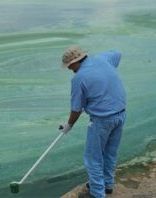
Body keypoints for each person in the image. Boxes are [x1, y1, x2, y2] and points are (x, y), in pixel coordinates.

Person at [59, 46, 126, 198]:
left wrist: (69, 124)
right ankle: (107, 185)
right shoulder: (104, 59)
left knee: (93, 157)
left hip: (102, 121)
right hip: (120, 115)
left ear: (76, 62)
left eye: (69, 66)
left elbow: (76, 108)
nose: (69, 69)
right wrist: (106, 75)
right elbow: (117, 53)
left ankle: (97, 192)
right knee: (110, 152)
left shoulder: (79, 78)